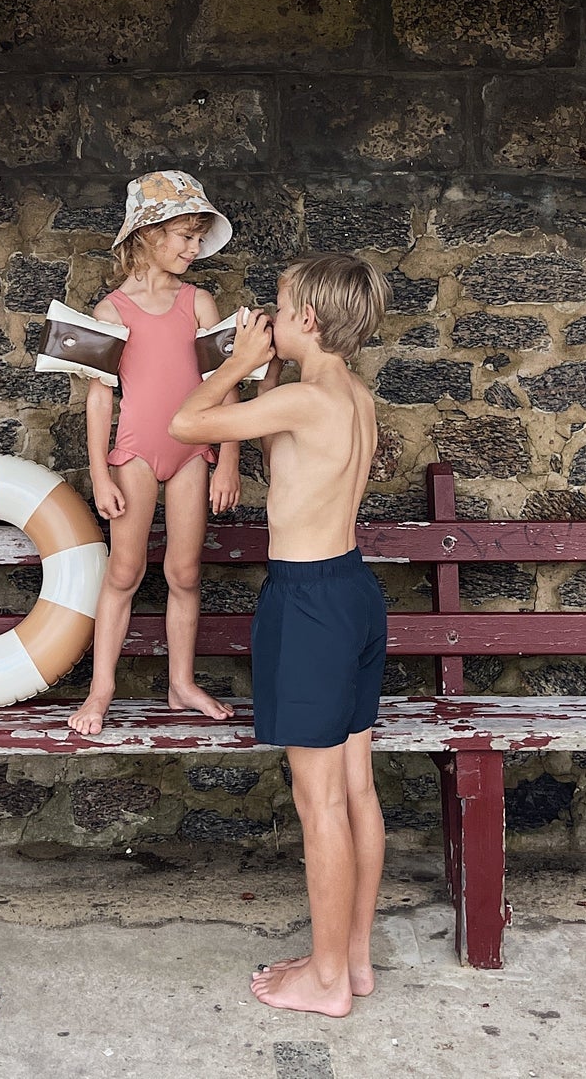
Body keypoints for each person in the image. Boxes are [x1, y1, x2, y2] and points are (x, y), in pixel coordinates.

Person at [170, 252, 392, 1019]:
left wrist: (235, 360)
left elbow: (185, 423)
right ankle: (350, 958)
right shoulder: (346, 398)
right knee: (356, 788)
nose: (265, 313)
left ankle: (325, 981)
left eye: (276, 302)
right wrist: (267, 374)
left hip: (309, 606)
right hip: (351, 590)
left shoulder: (305, 399)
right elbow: (282, 458)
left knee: (319, 802)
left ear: (304, 320)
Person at [65, 170, 242, 737]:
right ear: (147, 234)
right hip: (136, 453)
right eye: (185, 236)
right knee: (124, 570)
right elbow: (99, 400)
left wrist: (230, 459)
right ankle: (101, 690)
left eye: (198, 237)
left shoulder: (201, 303)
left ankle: (181, 682)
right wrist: (100, 474)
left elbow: (229, 382)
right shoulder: (111, 312)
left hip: (193, 454)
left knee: (185, 571)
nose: (194, 249)